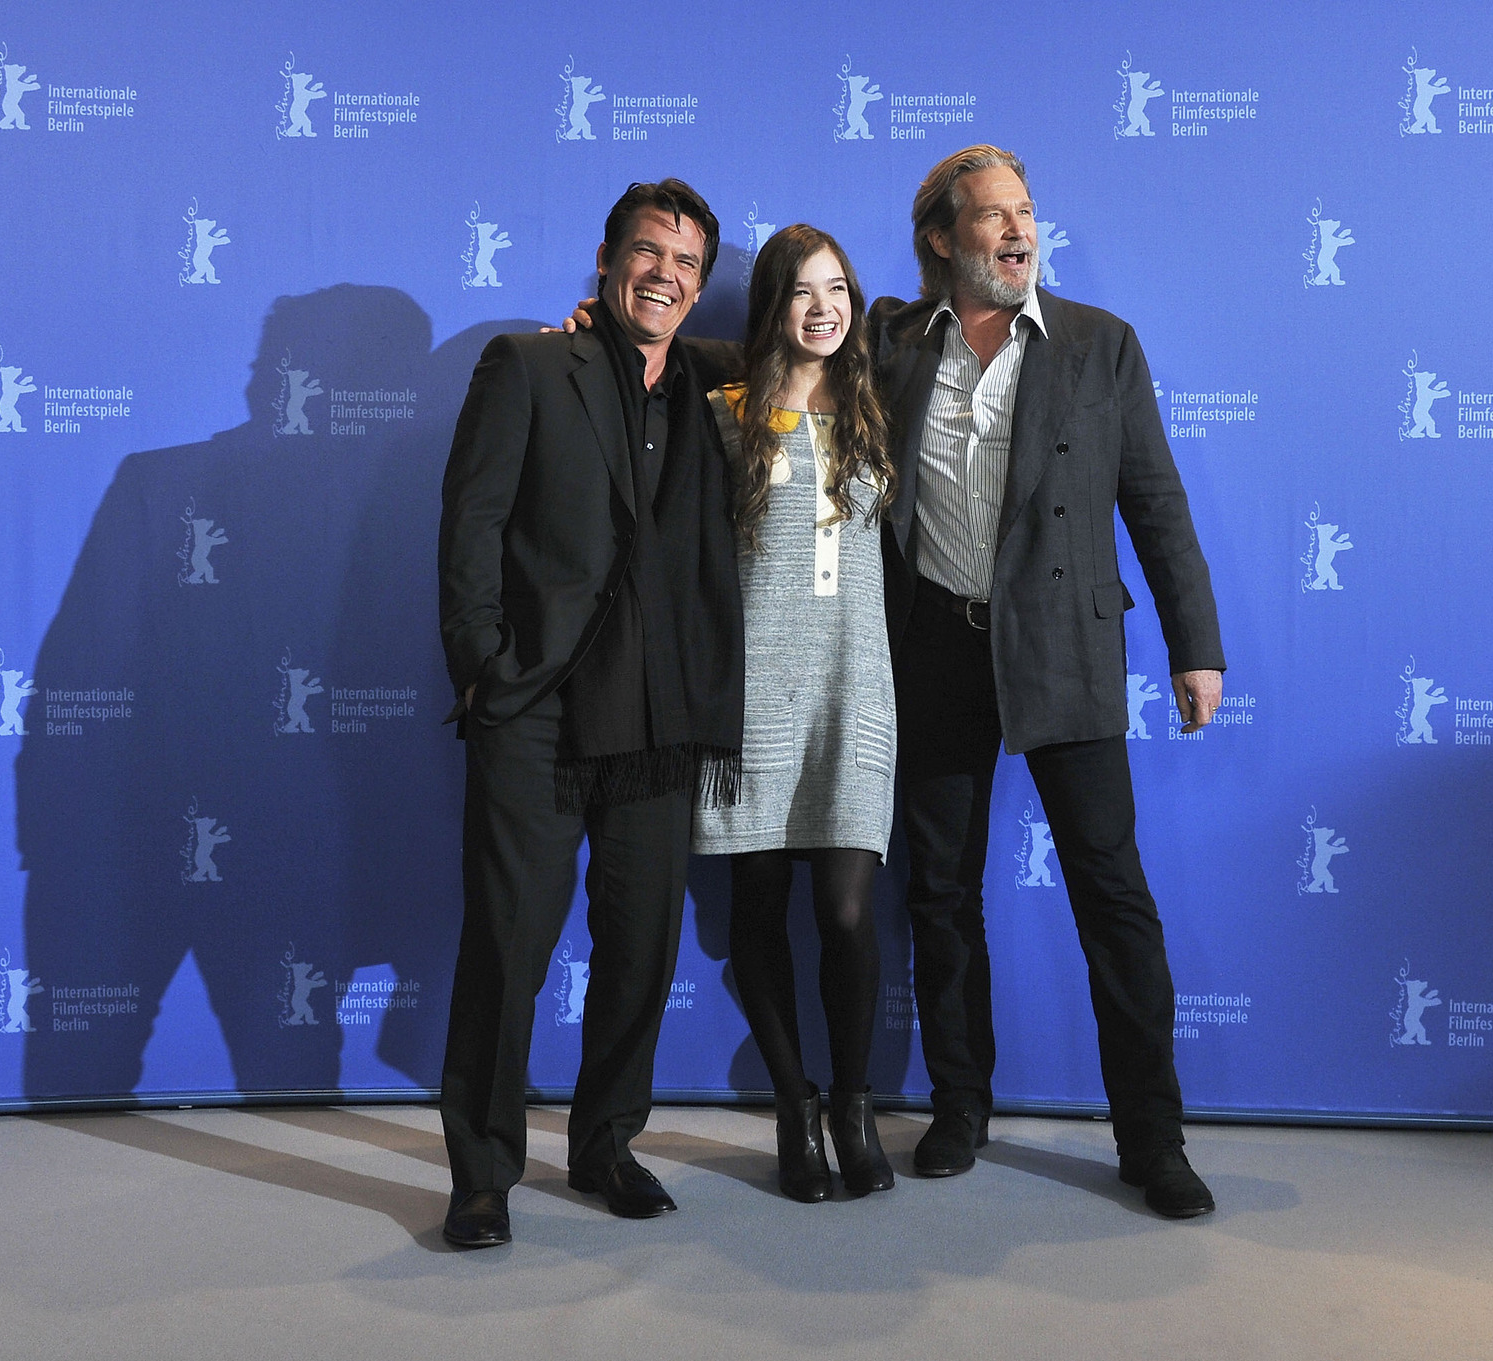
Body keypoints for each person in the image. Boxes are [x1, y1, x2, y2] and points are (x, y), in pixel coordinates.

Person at [868, 145, 1227, 1218]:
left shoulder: (1097, 344)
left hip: (1063, 642)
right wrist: (601, 336)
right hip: (930, 645)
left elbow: (1154, 502)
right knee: (937, 891)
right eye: (990, 217)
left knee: (1110, 893)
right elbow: (768, 358)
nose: (1018, 232)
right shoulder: (889, 343)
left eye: (1025, 211)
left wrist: (1191, 644)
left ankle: (1151, 1138)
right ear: (941, 238)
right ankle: (959, 1105)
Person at [435, 180, 744, 1249]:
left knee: (641, 947)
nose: (666, 274)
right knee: (509, 947)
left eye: (687, 264)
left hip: (655, 712)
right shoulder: (527, 363)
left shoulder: (713, 385)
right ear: (607, 259)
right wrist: (483, 670)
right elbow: (469, 522)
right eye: (649, 252)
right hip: (537, 705)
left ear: (702, 287)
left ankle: (606, 1142)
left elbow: (833, 337)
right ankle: (480, 1172)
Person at [691, 225, 898, 1203]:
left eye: (837, 289)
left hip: (854, 691)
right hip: (754, 696)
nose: (823, 307)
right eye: (802, 292)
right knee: (758, 912)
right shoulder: (722, 417)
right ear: (771, 303)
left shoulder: (872, 412)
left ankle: (851, 1101)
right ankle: (790, 1102)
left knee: (847, 910)